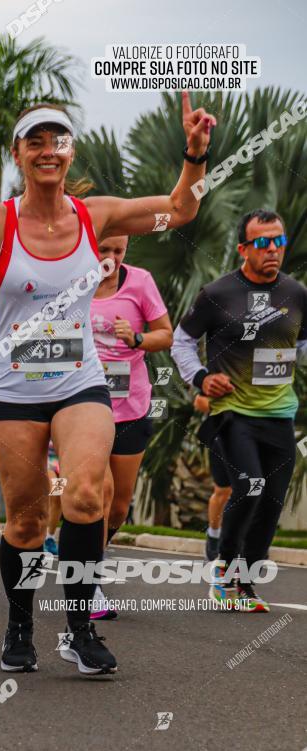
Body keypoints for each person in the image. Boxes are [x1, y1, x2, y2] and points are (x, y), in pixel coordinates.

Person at [0, 95, 214, 674]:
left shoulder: (97, 216)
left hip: (80, 383)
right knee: (25, 520)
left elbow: (179, 210)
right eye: (35, 141)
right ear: (18, 154)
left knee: (89, 495)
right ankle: (19, 625)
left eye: (57, 140)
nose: (48, 150)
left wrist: (194, 156)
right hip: (14, 391)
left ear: (69, 152)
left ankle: (79, 628)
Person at [172, 209, 307, 612]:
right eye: (262, 242)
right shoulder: (218, 293)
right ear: (243, 248)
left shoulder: (297, 294)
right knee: (249, 488)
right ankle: (222, 569)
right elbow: (181, 341)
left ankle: (245, 584)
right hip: (232, 414)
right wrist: (200, 378)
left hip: (280, 415)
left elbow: (302, 347)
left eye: (278, 241)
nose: (272, 250)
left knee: (270, 503)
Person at [90, 235, 173, 620]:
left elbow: (165, 335)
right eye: (102, 248)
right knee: (100, 493)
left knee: (119, 505)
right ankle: (88, 584)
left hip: (131, 405)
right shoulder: (72, 281)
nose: (109, 257)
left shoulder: (140, 281)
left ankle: (90, 555)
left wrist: (137, 337)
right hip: (84, 406)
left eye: (118, 251)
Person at [193, 393, 232, 561]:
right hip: (224, 435)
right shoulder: (224, 370)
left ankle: (253, 543)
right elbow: (200, 401)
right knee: (223, 491)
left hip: (258, 436)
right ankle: (214, 535)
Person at [45, 441, 61, 555]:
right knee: (55, 493)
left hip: (64, 458)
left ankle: (49, 537)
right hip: (47, 458)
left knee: (58, 500)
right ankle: (41, 538)